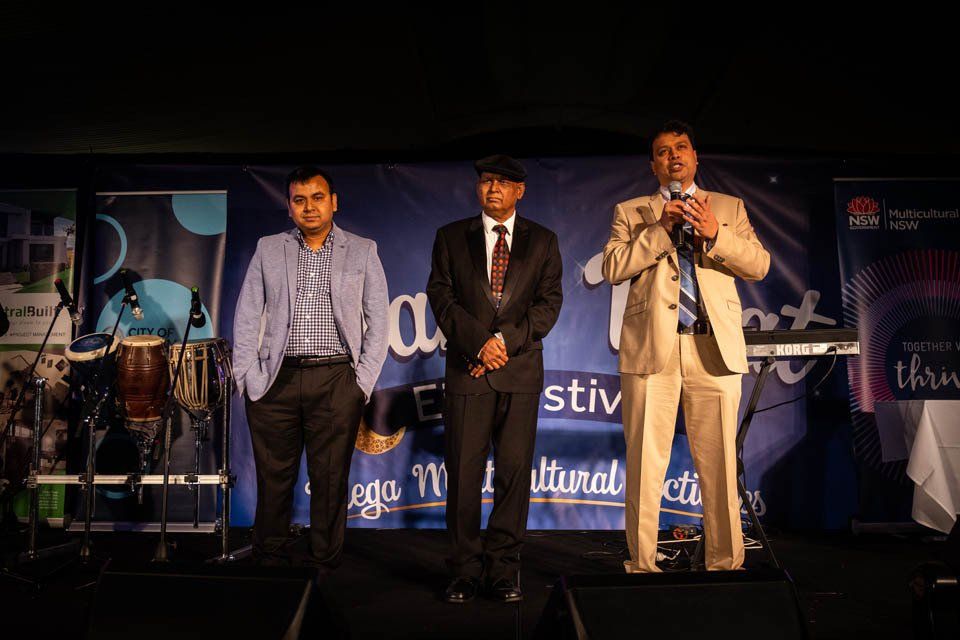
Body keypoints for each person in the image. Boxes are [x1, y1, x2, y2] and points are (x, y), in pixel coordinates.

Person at [602, 120, 770, 572]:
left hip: (711, 347)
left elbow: (758, 264)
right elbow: (613, 266)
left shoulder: (729, 207)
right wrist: (658, 229)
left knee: (718, 466)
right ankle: (642, 565)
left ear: (695, 157)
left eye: (681, 147)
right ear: (653, 164)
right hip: (652, 349)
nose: (673, 155)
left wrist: (716, 233)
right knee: (645, 463)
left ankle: (725, 564)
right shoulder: (632, 210)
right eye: (662, 151)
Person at [233, 166, 389, 573]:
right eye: (299, 200)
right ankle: (269, 561)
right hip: (275, 381)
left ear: (333, 202)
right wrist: (248, 377)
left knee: (330, 480)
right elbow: (248, 315)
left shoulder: (362, 249)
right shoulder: (269, 248)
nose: (309, 207)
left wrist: (361, 384)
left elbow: (379, 321)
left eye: (317, 197)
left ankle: (324, 564)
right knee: (274, 479)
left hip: (337, 379)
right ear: (289, 207)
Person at [427, 155, 563, 603]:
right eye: (486, 181)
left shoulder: (543, 241)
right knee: (464, 476)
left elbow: (548, 305)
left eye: (503, 183)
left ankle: (504, 570)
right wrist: (479, 343)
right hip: (469, 371)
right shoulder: (450, 237)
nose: (493, 189)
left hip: (519, 374)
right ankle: (464, 570)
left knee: (513, 475)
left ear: (519, 190)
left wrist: (503, 342)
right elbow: (442, 299)